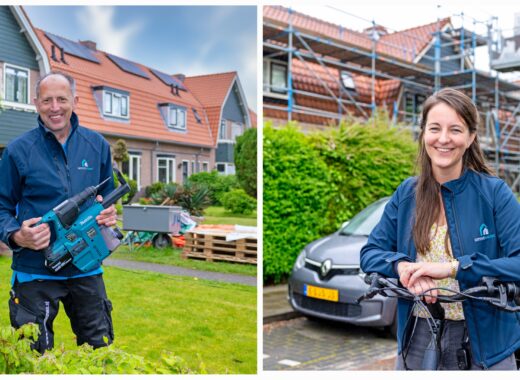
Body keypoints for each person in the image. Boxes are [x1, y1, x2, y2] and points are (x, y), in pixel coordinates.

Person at [360, 88, 520, 370]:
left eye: (455, 130)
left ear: (471, 137)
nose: (444, 139)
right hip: (418, 338)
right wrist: (402, 268)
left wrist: (454, 268)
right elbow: (370, 253)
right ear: (423, 134)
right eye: (435, 128)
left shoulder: (495, 193)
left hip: (487, 345)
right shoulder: (406, 194)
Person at [0, 71, 118, 353]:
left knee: (99, 351)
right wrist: (17, 235)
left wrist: (108, 214)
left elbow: (106, 200)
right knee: (31, 355)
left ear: (74, 100)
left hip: (86, 267)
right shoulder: (18, 151)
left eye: (61, 99)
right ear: (36, 103)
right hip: (34, 271)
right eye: (47, 100)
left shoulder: (97, 145)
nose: (54, 108)